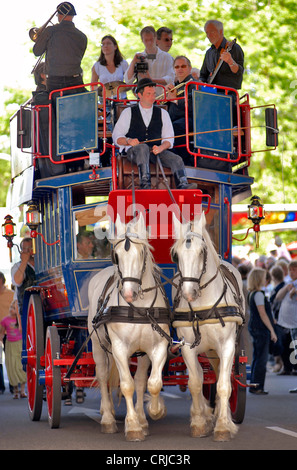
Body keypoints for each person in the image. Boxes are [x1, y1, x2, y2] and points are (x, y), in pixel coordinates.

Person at [112, 78, 196, 190]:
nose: (152, 97)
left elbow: (169, 139)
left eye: (154, 94)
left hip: (156, 152)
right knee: (142, 148)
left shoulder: (163, 113)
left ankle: (183, 184)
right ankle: (145, 184)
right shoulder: (128, 112)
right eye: (148, 94)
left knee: (176, 159)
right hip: (135, 153)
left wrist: (161, 147)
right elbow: (116, 136)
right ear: (139, 95)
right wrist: (128, 141)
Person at [33, 2, 87, 94]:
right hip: (75, 80)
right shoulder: (82, 36)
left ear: (60, 15)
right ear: (73, 16)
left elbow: (37, 51)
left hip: (54, 81)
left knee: (56, 107)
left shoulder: (50, 31)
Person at [247, 268, 277, 395]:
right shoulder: (259, 294)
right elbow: (263, 314)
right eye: (264, 277)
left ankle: (254, 384)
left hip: (254, 327)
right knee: (262, 359)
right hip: (261, 329)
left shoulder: (252, 293)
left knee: (257, 357)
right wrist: (272, 331)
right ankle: (257, 386)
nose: (266, 280)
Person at [124, 26, 174, 96]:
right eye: (146, 40)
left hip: (162, 98)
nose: (149, 43)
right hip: (144, 99)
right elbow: (128, 80)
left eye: (151, 39)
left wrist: (151, 79)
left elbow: (171, 79)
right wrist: (133, 62)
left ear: (156, 38)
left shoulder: (167, 57)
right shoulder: (139, 58)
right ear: (142, 40)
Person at [165, 56, 196, 165]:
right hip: (174, 121)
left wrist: (174, 99)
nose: (180, 69)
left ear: (190, 68)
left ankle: (183, 161)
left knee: (174, 128)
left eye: (183, 66)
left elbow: (194, 105)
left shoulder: (194, 85)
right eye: (177, 67)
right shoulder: (175, 86)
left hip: (190, 120)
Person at [199, 20, 244, 90]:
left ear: (220, 31)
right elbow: (203, 75)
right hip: (211, 94)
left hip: (228, 94)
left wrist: (230, 61)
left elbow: (239, 72)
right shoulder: (209, 53)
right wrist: (201, 82)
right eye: (207, 33)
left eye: (212, 32)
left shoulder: (234, 48)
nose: (209, 36)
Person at [275, 260, 297, 385]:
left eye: (294, 270)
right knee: (284, 346)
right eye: (290, 270)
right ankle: (287, 368)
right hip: (284, 321)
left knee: (294, 347)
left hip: (294, 322)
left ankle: (294, 368)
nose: (291, 272)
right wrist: (286, 289)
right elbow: (278, 297)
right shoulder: (288, 283)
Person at [0, 300, 27, 399]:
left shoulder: (21, 320)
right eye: (11, 308)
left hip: (20, 344)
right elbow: (2, 333)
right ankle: (16, 391)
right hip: (10, 345)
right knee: (12, 367)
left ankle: (23, 391)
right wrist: (1, 340)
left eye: (14, 308)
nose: (11, 310)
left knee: (21, 367)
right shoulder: (5, 320)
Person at [11, 238, 35, 317]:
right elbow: (17, 281)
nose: (28, 251)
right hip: (28, 311)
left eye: (31, 248)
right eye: (25, 249)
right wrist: (24, 262)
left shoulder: (44, 264)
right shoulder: (17, 267)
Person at [269, 265, 286, 373]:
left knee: (279, 343)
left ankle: (280, 364)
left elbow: (275, 302)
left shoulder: (279, 288)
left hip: (279, 318)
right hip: (279, 317)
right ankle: (280, 364)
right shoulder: (282, 286)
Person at [0, 273, 14, 394]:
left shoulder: (11, 295)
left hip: (8, 331)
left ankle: (13, 385)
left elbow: (15, 311)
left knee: (10, 358)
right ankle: (1, 386)